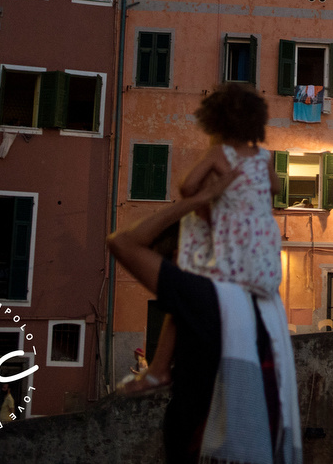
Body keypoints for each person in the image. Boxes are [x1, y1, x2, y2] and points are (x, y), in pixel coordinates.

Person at [107, 113, 302, 464]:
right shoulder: (265, 301)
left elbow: (124, 243)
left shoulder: (204, 296)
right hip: (263, 443)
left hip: (201, 445)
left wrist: (197, 200)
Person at [122, 83, 285, 394]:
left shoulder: (218, 154)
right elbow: (275, 188)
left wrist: (218, 192)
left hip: (229, 248)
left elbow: (187, 187)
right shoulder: (264, 157)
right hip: (262, 251)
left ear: (217, 123)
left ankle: (158, 369)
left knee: (182, 297)